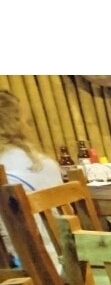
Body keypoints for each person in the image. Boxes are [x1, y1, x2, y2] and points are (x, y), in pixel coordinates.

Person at [0, 88, 65, 266]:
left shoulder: (7, 167)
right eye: (26, 121)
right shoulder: (45, 163)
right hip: (64, 258)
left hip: (23, 267)